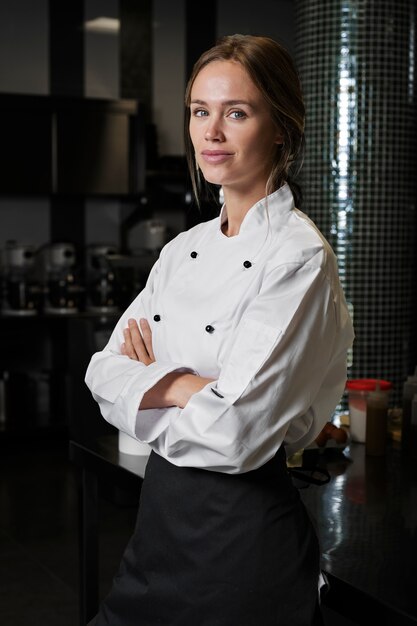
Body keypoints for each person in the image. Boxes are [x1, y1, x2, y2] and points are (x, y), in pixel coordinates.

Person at [85, 34, 354, 626]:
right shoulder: (183, 250)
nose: (211, 132)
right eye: (200, 112)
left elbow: (235, 435)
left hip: (243, 548)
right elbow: (102, 373)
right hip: (159, 530)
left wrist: (155, 378)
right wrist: (192, 386)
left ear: (280, 126)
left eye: (236, 113)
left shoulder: (297, 258)